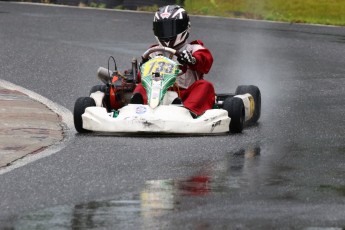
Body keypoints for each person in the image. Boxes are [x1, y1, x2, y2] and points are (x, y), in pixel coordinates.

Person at [130, 5, 215, 117]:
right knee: (142, 86)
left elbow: (206, 62)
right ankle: (137, 107)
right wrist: (143, 68)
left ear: (185, 27)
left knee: (205, 86)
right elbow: (142, 78)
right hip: (155, 93)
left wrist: (192, 60)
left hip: (186, 96)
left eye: (171, 28)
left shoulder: (194, 49)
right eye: (162, 29)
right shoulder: (153, 52)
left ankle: (186, 110)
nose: (166, 33)